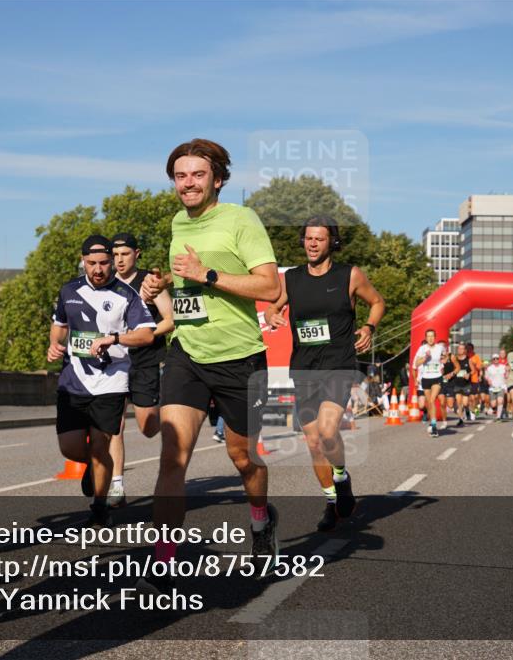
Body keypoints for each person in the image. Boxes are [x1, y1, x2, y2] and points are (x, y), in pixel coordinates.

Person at [138, 139, 281, 593]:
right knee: (172, 457)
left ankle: (260, 519)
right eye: (180, 176)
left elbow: (270, 287)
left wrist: (209, 275)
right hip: (188, 353)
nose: (188, 183)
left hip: (239, 356)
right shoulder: (179, 222)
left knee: (243, 458)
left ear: (218, 179)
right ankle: (164, 559)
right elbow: (187, 295)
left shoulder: (242, 220)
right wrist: (158, 286)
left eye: (197, 175)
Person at [264, 214, 385, 532]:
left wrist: (369, 326)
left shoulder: (350, 275)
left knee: (329, 431)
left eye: (319, 238)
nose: (313, 243)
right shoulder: (292, 278)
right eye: (308, 238)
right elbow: (272, 306)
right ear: (302, 241)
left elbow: (377, 302)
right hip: (304, 368)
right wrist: (273, 313)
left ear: (332, 241)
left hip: (338, 365)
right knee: (314, 443)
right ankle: (332, 501)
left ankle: (342, 477)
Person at [47, 235, 155, 527]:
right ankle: (96, 470)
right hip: (73, 381)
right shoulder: (69, 290)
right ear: (83, 261)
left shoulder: (126, 294)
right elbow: (59, 328)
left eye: (104, 263)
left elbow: (146, 334)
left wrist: (115, 338)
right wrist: (55, 345)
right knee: (69, 448)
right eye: (92, 263)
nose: (98, 269)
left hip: (112, 381)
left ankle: (99, 506)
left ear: (111, 262)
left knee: (100, 445)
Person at [108, 232, 175, 505]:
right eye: (115, 255)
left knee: (148, 427)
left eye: (125, 254)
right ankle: (116, 486)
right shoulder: (106, 284)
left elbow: (171, 319)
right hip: (113, 361)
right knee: (115, 425)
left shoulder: (148, 281)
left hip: (145, 360)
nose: (119, 260)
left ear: (137, 254)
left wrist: (145, 334)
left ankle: (169, 412)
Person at [413, 330, 448, 436]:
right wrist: (425, 358)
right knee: (429, 402)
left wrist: (444, 360)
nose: (430, 338)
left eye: (432, 336)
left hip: (437, 377)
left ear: (435, 337)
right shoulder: (422, 349)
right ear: (426, 338)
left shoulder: (440, 347)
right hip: (426, 378)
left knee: (432, 399)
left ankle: (433, 426)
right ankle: (433, 423)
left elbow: (446, 356)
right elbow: (416, 363)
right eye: (428, 336)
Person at [485, 353, 509, 425]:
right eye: (494, 359)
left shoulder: (503, 367)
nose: (496, 360)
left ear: (499, 359)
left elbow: (507, 376)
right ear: (492, 360)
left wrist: (507, 371)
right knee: (493, 404)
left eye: (497, 359)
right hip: (492, 388)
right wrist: (488, 380)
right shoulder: (489, 368)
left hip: (501, 386)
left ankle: (498, 417)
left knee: (500, 401)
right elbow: (486, 376)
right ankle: (493, 411)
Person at [452, 343, 473, 424]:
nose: (460, 350)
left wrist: (469, 374)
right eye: (459, 349)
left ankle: (467, 410)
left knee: (465, 403)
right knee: (459, 402)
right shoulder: (454, 359)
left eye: (461, 349)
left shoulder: (469, 360)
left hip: (466, 384)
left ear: (465, 350)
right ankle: (460, 419)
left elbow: (473, 370)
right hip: (457, 384)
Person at [466, 343, 484, 419]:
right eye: (467, 348)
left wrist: (480, 376)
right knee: (470, 398)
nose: (469, 350)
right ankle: (472, 413)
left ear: (473, 349)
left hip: (475, 379)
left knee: (476, 397)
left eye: (470, 348)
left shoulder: (476, 357)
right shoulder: (465, 357)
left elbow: (480, 368)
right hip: (467, 380)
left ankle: (477, 409)